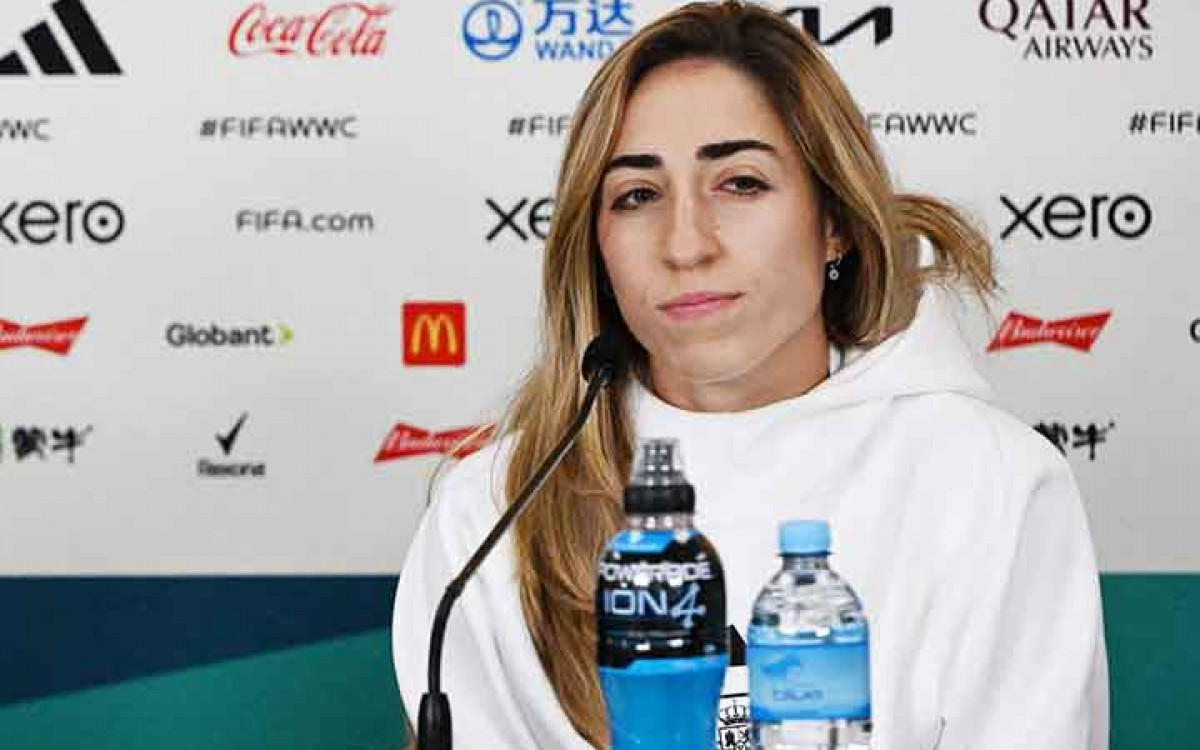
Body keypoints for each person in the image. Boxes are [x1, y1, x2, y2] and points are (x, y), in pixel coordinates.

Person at [392, 2, 1109, 749]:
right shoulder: (493, 508)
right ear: (594, 245)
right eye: (637, 195)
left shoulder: (993, 481)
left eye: (739, 183)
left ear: (833, 221)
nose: (686, 243)